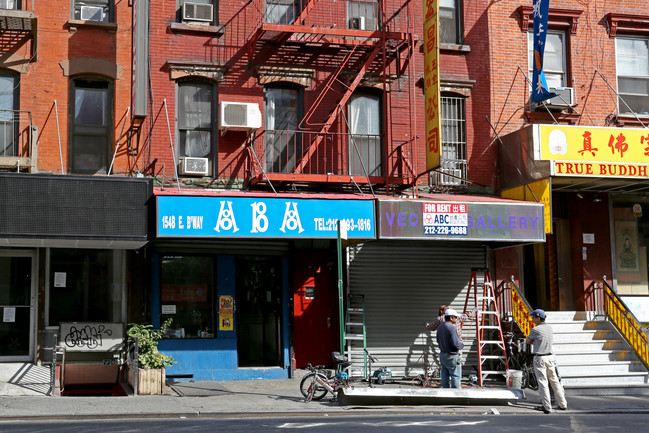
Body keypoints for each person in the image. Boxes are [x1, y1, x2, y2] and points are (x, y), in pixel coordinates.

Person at [525, 309, 568, 414]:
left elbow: (528, 341)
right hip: (550, 357)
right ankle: (563, 404)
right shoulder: (549, 328)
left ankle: (547, 407)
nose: (532, 318)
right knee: (554, 381)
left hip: (540, 358)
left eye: (534, 317)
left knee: (543, 383)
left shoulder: (535, 330)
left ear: (538, 318)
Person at [436, 308, 464, 388]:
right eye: (455, 317)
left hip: (442, 355)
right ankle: (455, 396)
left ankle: (446, 394)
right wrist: (461, 345)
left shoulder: (440, 327)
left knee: (445, 376)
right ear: (451, 318)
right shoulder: (452, 328)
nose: (457, 318)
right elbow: (456, 344)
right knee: (455, 376)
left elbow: (438, 340)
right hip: (451, 356)